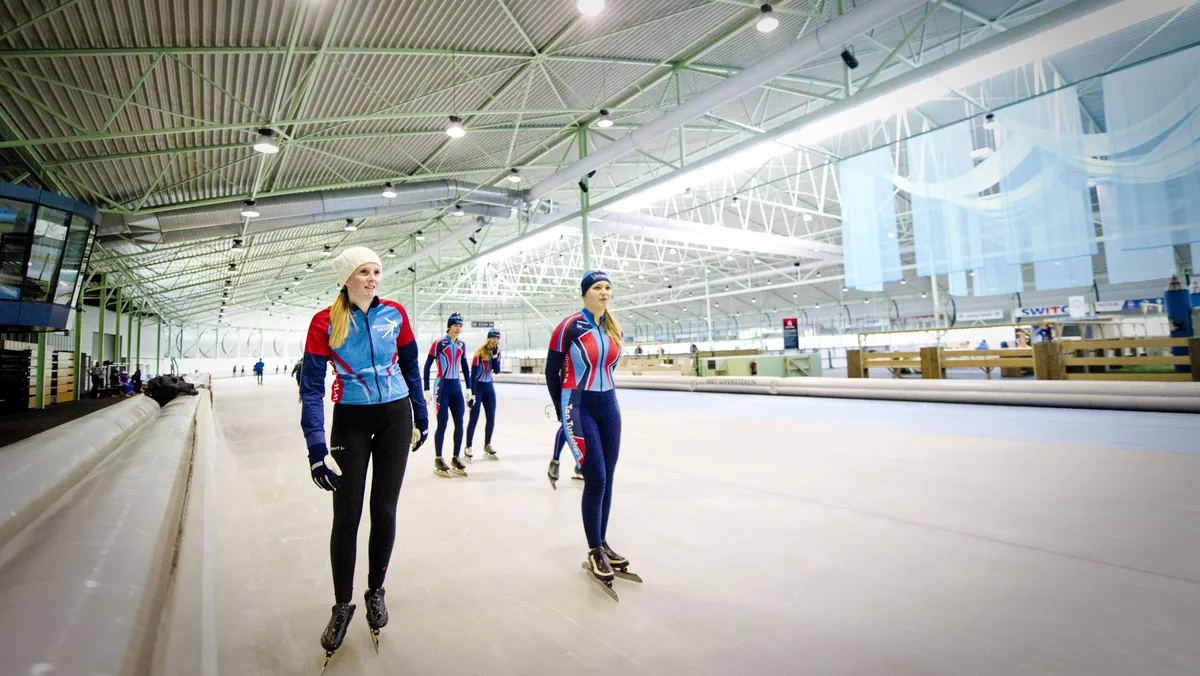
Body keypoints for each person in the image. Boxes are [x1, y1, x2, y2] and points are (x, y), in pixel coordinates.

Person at [299, 246, 429, 664]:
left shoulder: (395, 314)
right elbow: (312, 388)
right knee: (347, 516)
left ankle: (376, 591)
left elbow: (412, 366)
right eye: (363, 272)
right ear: (346, 279)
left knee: (384, 510)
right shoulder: (324, 322)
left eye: (376, 271)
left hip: (394, 413)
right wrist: (317, 447)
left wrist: (421, 415)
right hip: (350, 421)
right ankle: (342, 605)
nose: (373, 278)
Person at [545, 270, 631, 595]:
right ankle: (593, 550)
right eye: (597, 287)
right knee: (594, 478)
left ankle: (602, 541)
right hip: (578, 405)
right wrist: (560, 407)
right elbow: (551, 371)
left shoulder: (614, 327)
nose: (604, 292)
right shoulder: (569, 326)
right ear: (585, 293)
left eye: (608, 287)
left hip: (609, 406)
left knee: (608, 477)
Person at [423, 313, 471, 477]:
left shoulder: (462, 345)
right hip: (441, 386)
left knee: (459, 422)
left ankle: (456, 457)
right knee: (442, 423)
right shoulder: (438, 343)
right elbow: (427, 366)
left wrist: (469, 388)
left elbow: (465, 367)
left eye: (460, 326)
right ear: (449, 326)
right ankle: (438, 457)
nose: (458, 328)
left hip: (456, 386)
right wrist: (426, 388)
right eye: (456, 325)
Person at [464, 328, 502, 462]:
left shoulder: (497, 352)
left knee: (491, 418)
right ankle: (468, 446)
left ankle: (487, 444)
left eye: (497, 338)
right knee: (473, 419)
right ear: (488, 338)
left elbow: (497, 371)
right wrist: (472, 393)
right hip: (478, 387)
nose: (496, 341)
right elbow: (473, 375)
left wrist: (496, 358)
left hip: (489, 388)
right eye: (494, 338)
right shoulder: (479, 353)